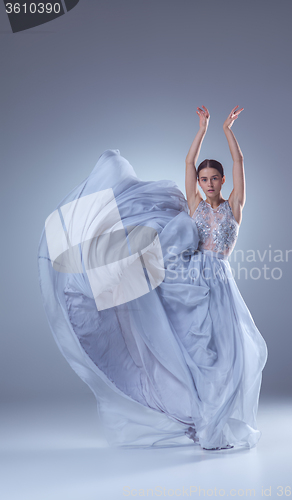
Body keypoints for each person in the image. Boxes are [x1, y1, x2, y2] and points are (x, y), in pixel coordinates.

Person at [37, 105, 268, 451]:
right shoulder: (195, 205)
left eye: (213, 179)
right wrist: (201, 130)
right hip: (188, 279)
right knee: (193, 350)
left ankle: (210, 423)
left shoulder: (235, 206)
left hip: (220, 284)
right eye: (204, 180)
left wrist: (227, 130)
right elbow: (189, 165)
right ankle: (202, 422)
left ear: (223, 181)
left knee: (228, 356)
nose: (207, 184)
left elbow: (240, 163)